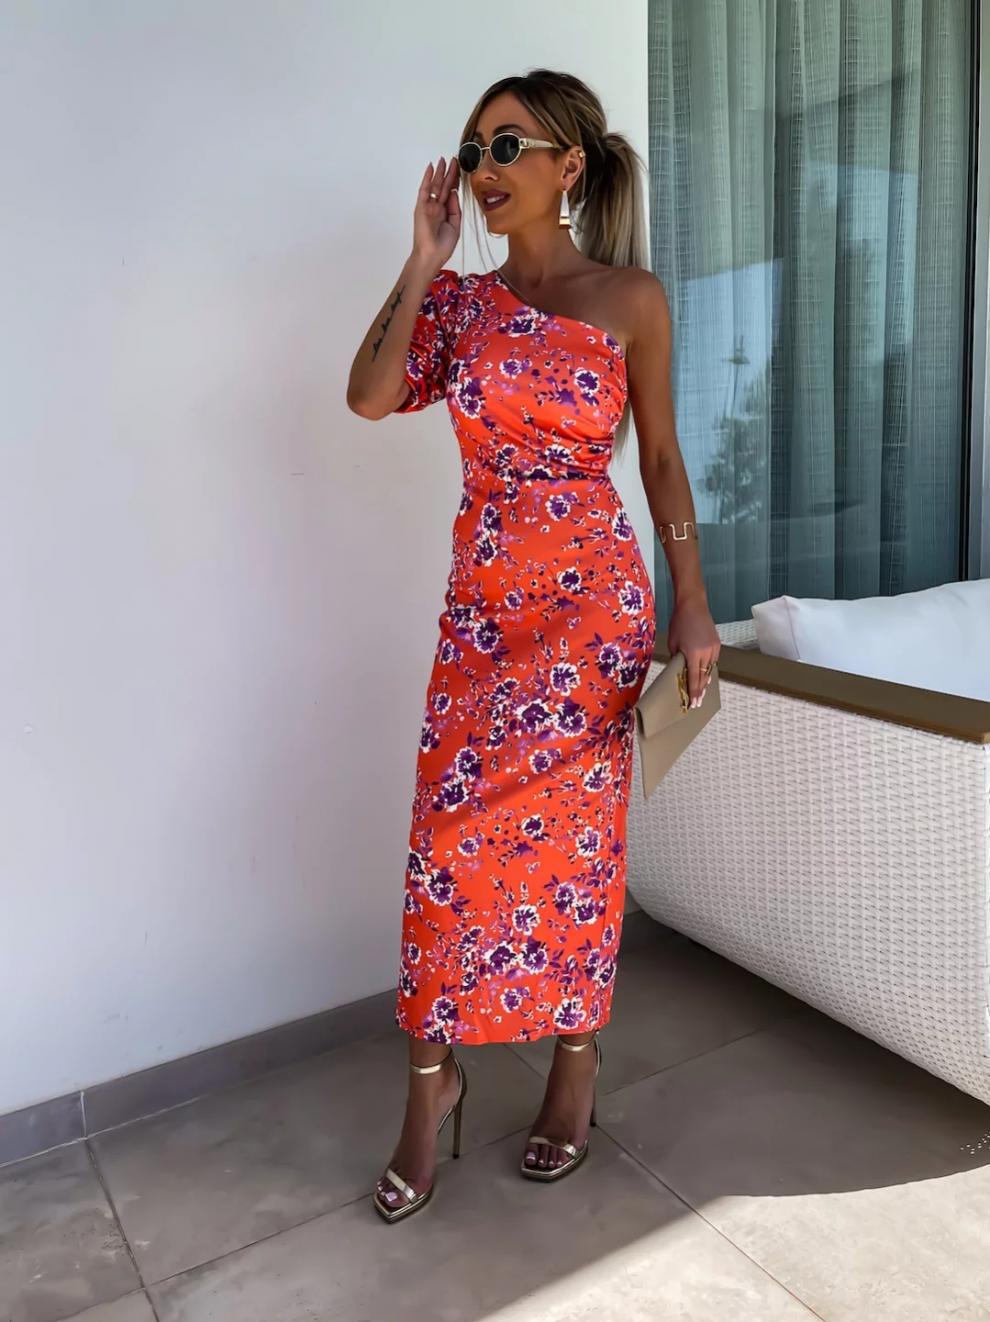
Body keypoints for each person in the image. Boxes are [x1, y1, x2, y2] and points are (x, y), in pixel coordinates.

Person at [347, 69, 720, 1223]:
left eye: (509, 145)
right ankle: (434, 1083)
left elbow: (660, 459)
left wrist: (693, 602)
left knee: (576, 853)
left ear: (570, 164)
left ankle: (574, 1065)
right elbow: (368, 396)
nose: (484, 169)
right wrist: (422, 262)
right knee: (445, 845)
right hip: (484, 611)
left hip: (593, 609)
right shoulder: (459, 305)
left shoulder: (630, 299)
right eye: (473, 151)